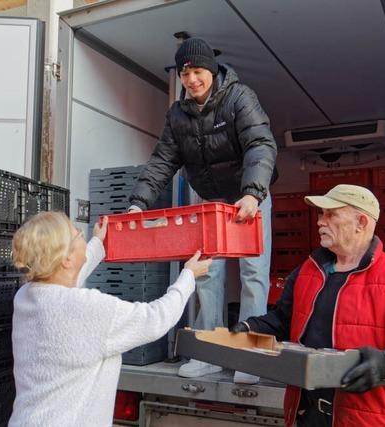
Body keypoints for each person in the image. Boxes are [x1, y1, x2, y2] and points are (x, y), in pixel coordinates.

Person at [230, 184, 385, 427]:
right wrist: (248, 328)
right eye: (320, 214)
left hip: (369, 420)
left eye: (330, 214)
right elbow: (283, 320)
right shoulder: (307, 271)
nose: (320, 221)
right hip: (308, 415)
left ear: (361, 222)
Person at [128, 37, 278, 382]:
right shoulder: (177, 115)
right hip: (209, 202)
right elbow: (163, 161)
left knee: (253, 273)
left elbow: (260, 144)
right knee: (207, 273)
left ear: (210, 70)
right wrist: (138, 203)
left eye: (197, 71)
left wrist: (254, 193)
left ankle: (250, 354)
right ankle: (211, 352)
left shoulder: (241, 98)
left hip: (247, 197)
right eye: (185, 73)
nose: (192, 79)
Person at [8, 212, 211, 426]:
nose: (81, 236)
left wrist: (98, 243)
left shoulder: (26, 296)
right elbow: (155, 319)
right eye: (77, 235)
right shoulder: (85, 308)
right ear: (66, 259)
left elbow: (61, 277)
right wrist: (188, 276)